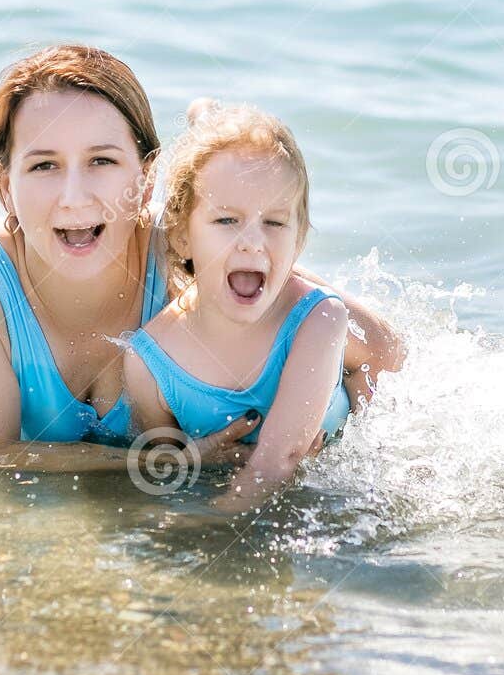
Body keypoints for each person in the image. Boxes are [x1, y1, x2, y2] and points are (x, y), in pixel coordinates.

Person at [0, 44, 403, 470]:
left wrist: (349, 431)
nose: (74, 196)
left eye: (102, 161)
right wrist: (157, 461)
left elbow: (382, 348)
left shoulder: (184, 249)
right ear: (6, 187)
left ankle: (208, 122)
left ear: (147, 178)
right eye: (44, 165)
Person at [124, 102, 348, 510]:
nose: (253, 242)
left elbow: (279, 460)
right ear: (181, 237)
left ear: (299, 241)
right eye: (226, 221)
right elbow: (160, 467)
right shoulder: (149, 361)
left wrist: (205, 527)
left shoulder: (319, 319)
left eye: (276, 223)